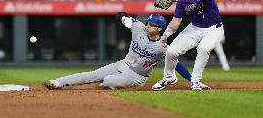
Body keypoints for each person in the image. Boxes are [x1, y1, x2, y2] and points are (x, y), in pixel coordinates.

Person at [44, 13, 209, 90]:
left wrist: (192, 80)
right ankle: (58, 82)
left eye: (151, 24)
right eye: (148, 23)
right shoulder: (138, 28)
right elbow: (126, 19)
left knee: (108, 81)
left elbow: (177, 66)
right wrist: (122, 16)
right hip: (123, 64)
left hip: (137, 76)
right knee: (92, 75)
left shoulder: (163, 47)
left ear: (159, 28)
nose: (147, 25)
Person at [152, 0, 224, 91]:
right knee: (171, 51)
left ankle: (195, 81)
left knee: (204, 48)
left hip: (214, 29)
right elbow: (176, 21)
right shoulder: (182, 0)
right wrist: (165, 35)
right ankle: (169, 78)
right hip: (195, 28)